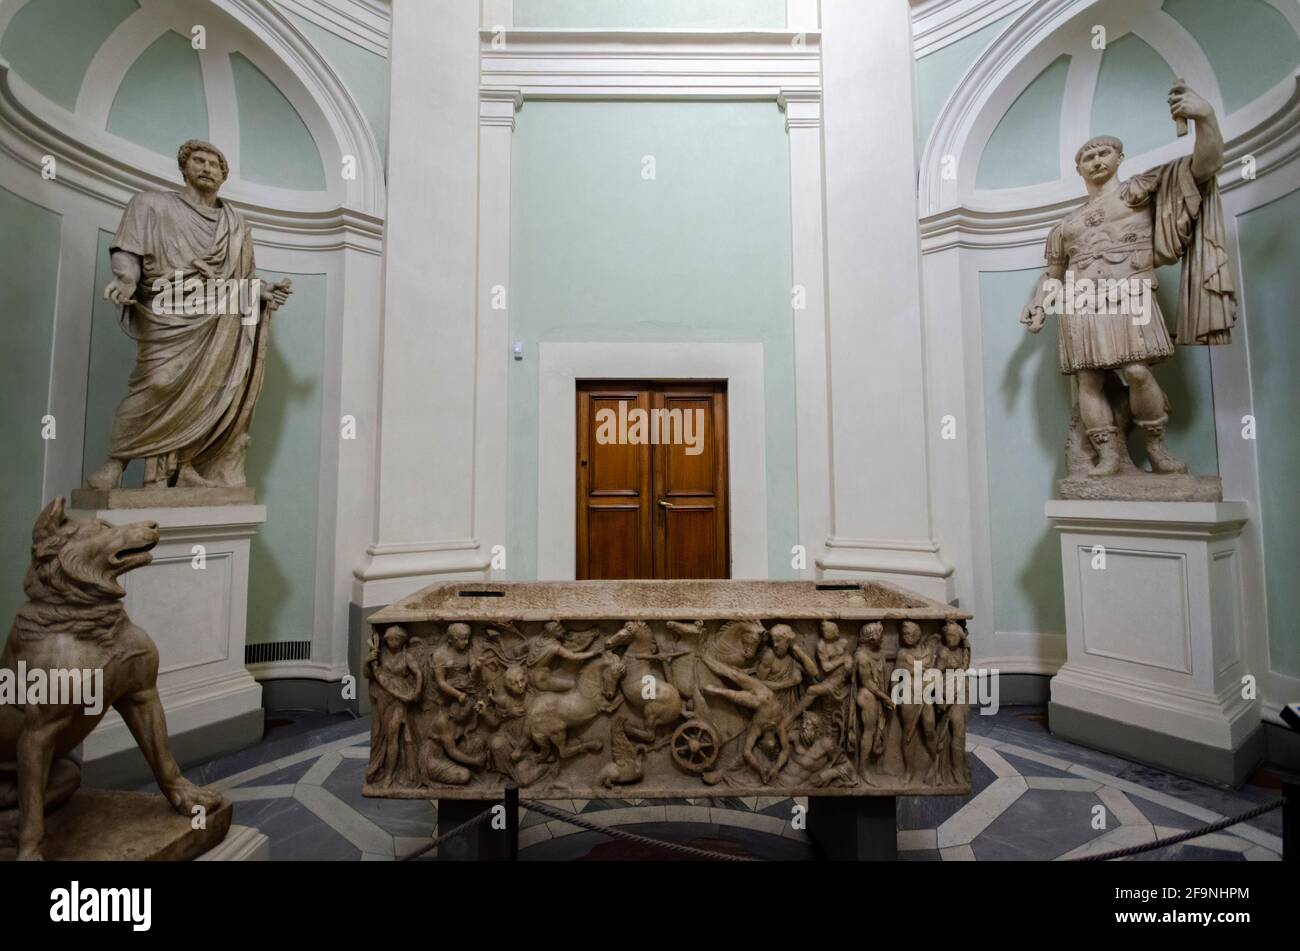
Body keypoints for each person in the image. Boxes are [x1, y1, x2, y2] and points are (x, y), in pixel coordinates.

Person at [87, 139, 292, 491]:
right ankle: (117, 461)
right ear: (184, 167)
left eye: (215, 164)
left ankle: (183, 468)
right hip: (167, 307)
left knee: (209, 389)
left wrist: (261, 291)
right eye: (199, 160)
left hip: (217, 317)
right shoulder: (150, 205)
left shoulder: (236, 225)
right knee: (159, 381)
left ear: (224, 176)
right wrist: (126, 279)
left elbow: (240, 280)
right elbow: (128, 251)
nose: (207, 168)